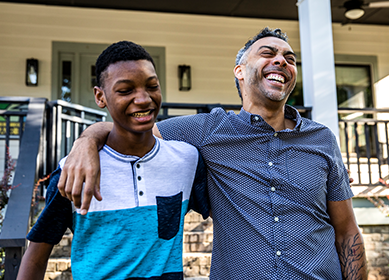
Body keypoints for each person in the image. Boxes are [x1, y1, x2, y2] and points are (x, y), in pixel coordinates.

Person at [57, 27, 367, 279]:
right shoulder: (207, 130)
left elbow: (346, 231)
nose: (282, 61)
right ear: (240, 72)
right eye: (267, 54)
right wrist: (88, 139)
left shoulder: (321, 139)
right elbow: (132, 130)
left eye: (289, 58)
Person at [17, 41, 209, 280]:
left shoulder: (187, 160)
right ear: (100, 96)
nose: (143, 99)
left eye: (152, 86)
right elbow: (36, 256)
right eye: (126, 90)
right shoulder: (73, 171)